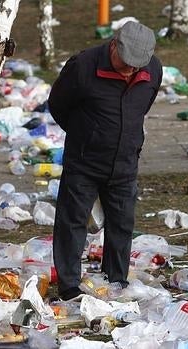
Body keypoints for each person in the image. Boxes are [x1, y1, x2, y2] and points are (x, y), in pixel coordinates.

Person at [47, 21, 162, 301]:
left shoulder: (152, 69)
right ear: (114, 46)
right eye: (126, 64)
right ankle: (69, 285)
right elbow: (58, 105)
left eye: (136, 66)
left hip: (125, 161)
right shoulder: (83, 67)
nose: (131, 70)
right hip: (85, 159)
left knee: (122, 223)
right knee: (72, 221)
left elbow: (143, 107)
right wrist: (86, 133)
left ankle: (116, 279)